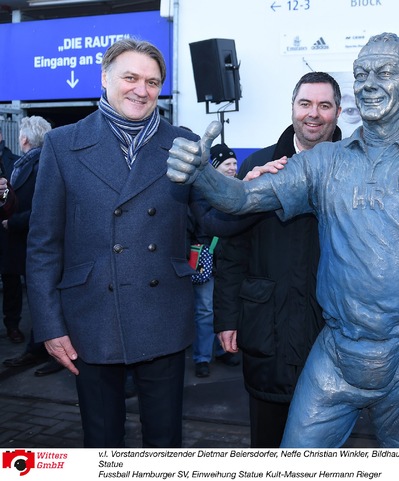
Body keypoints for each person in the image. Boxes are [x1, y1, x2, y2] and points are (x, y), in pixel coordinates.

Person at [167, 32, 399, 448]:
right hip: (334, 356)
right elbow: (243, 199)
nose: (369, 83)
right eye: (361, 74)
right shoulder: (323, 161)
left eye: (384, 73)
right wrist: (203, 175)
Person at [26, 38, 201, 448]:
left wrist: (243, 190)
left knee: (164, 442)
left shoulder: (183, 142)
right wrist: (50, 326)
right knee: (102, 440)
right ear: (105, 78)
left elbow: (211, 217)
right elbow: (43, 246)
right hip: (91, 319)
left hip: (162, 314)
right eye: (131, 77)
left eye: (153, 82)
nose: (142, 89)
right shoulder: (63, 144)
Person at [213, 71, 342, 447]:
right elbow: (232, 250)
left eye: (324, 105)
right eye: (305, 104)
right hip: (266, 327)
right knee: (268, 441)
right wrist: (226, 317)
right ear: (292, 109)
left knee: (325, 444)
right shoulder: (260, 164)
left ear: (337, 111)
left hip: (331, 329)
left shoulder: (358, 169)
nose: (313, 114)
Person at [1, 116, 63, 377]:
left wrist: (11, 221)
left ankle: (48, 351)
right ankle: (38, 347)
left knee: (44, 295)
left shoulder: (41, 164)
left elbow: (42, 209)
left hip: (35, 242)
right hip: (20, 243)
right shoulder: (22, 164)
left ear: (24, 138)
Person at [189, 142, 241, 378]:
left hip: (229, 259)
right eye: (228, 164)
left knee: (226, 305)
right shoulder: (202, 191)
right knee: (205, 309)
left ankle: (224, 350)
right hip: (206, 257)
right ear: (216, 166)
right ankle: (202, 357)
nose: (233, 168)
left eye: (234, 163)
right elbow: (200, 223)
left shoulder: (240, 188)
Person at [0, 129, 21, 343]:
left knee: (11, 280)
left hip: (7, 231)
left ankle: (12, 325)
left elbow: (16, 200)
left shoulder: (15, 162)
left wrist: (5, 195)